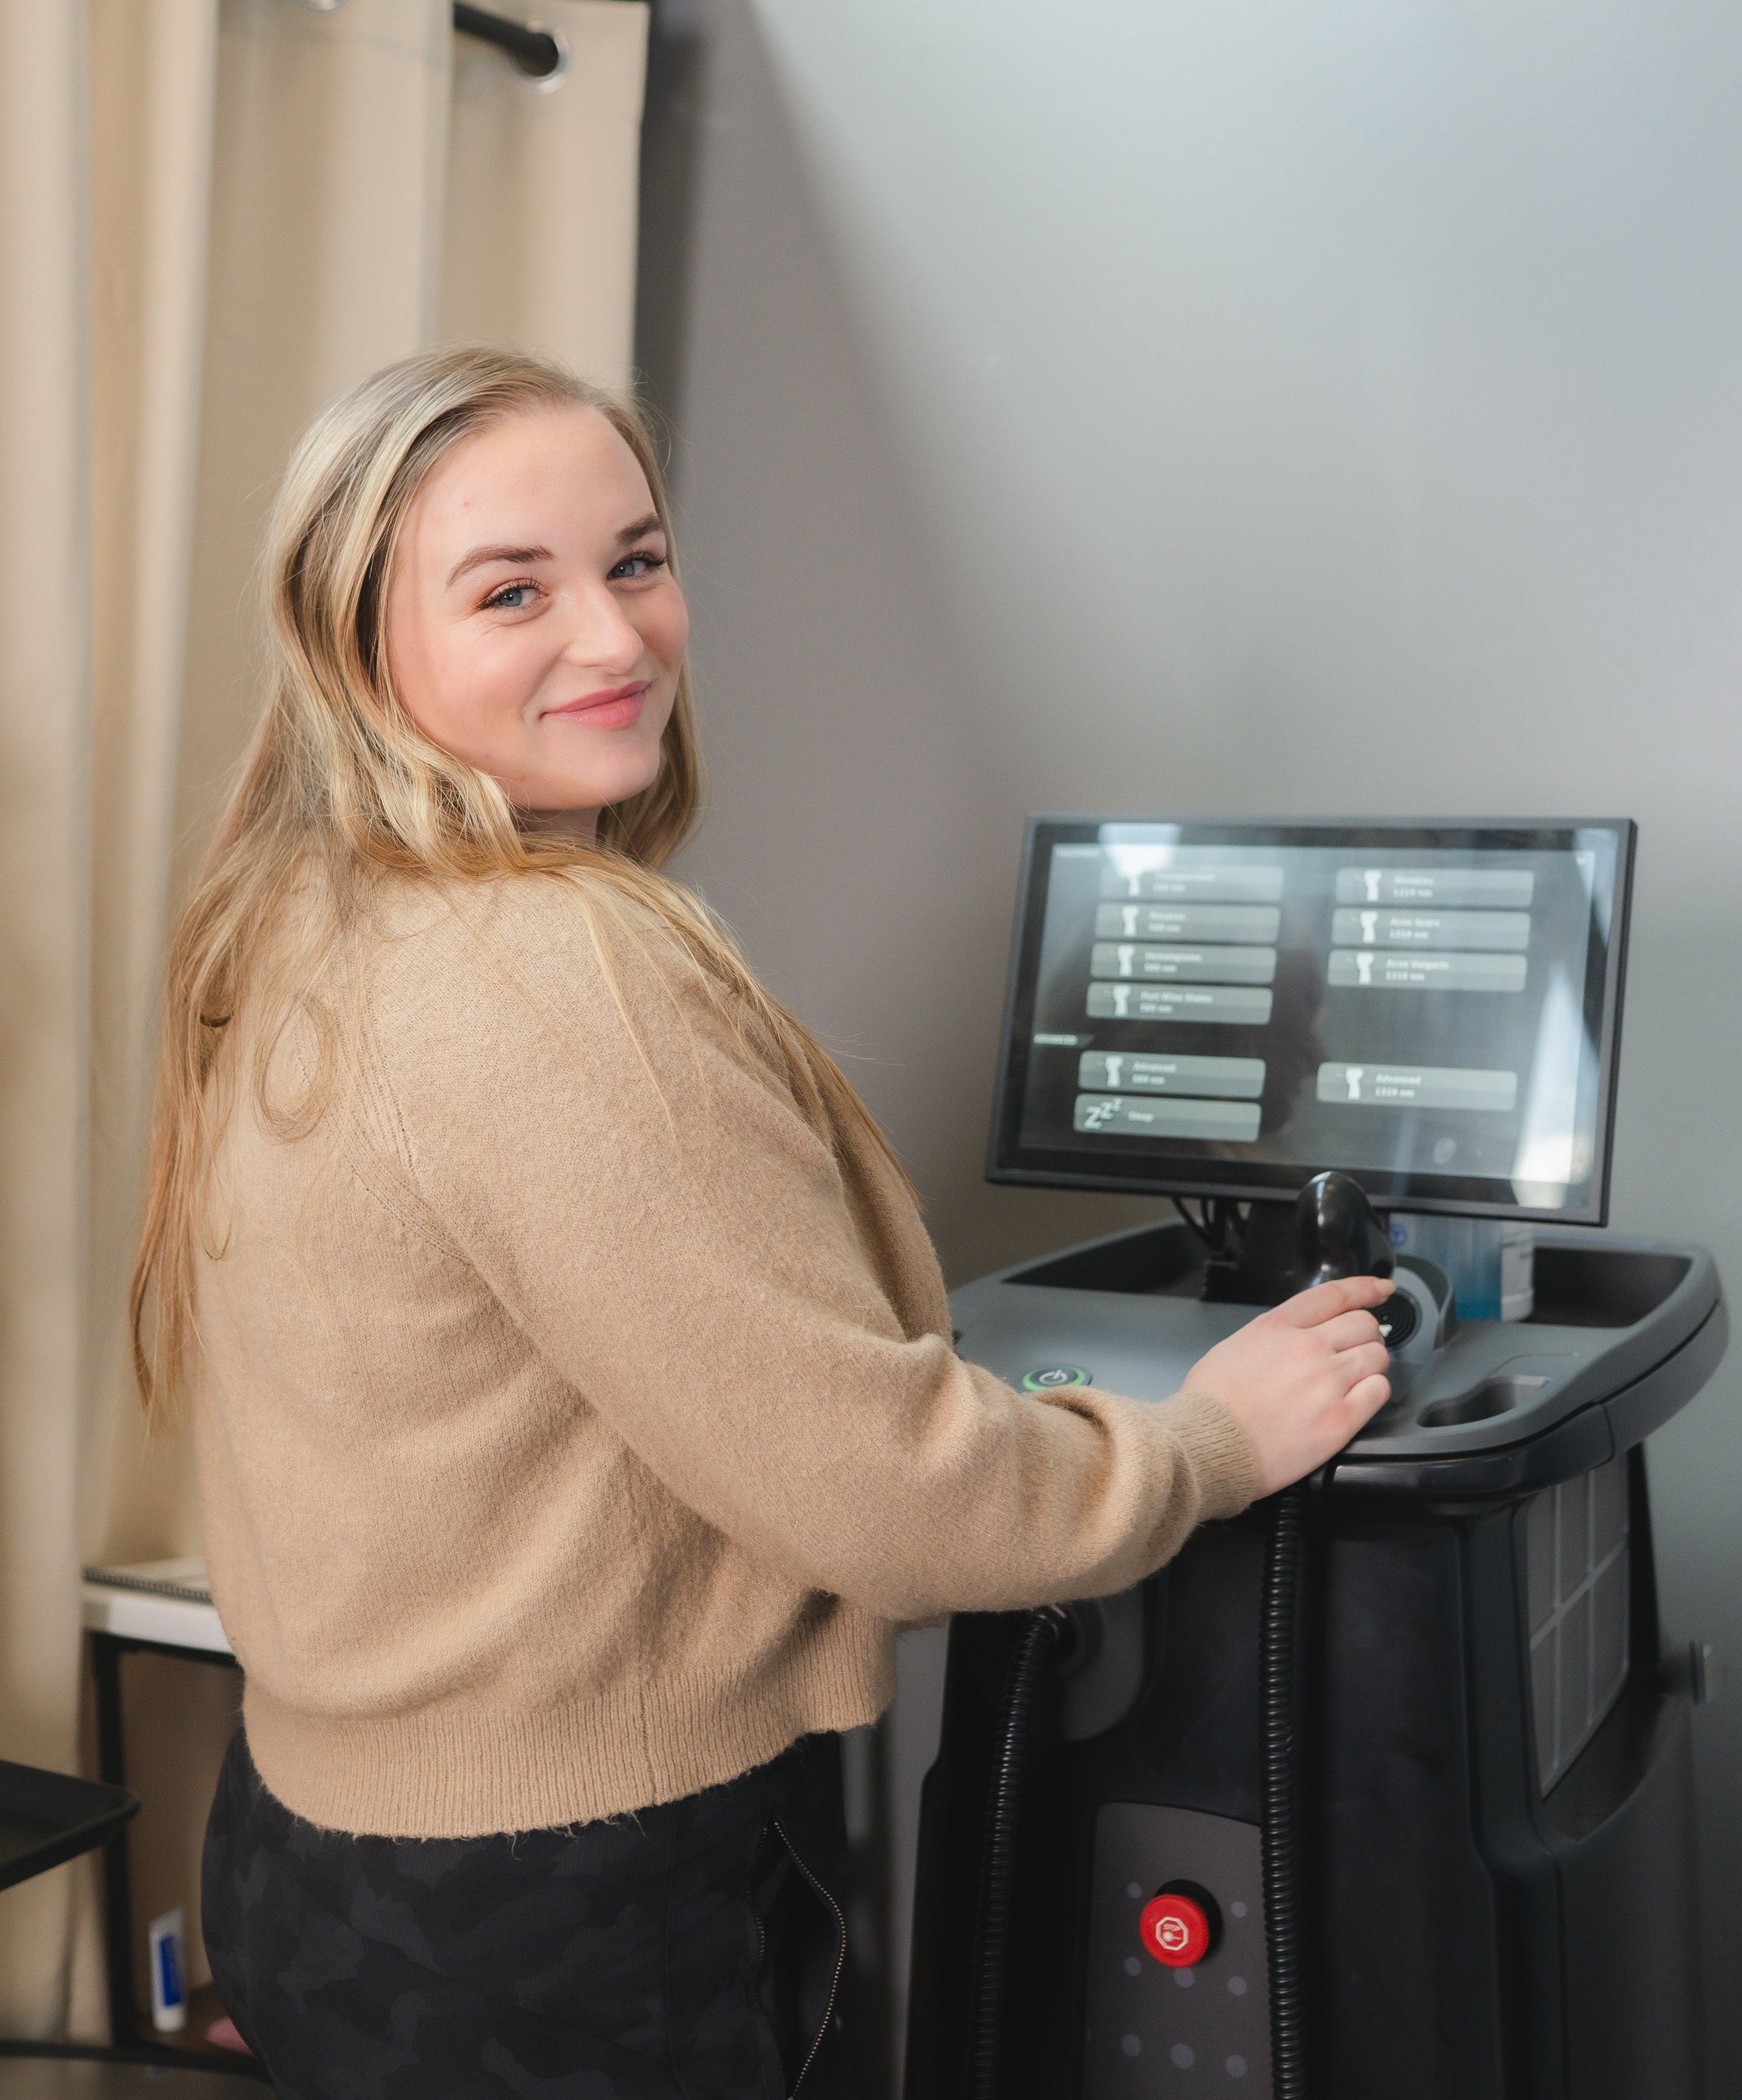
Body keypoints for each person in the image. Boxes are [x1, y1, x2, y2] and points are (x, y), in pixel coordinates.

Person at [132, 346, 1392, 2099]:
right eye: (513, 590)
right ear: (357, 646)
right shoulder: (552, 966)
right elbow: (885, 1498)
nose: (615, 636)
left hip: (317, 1847)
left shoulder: (305, 919)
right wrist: (1199, 1443)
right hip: (564, 1905)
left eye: (635, 560)